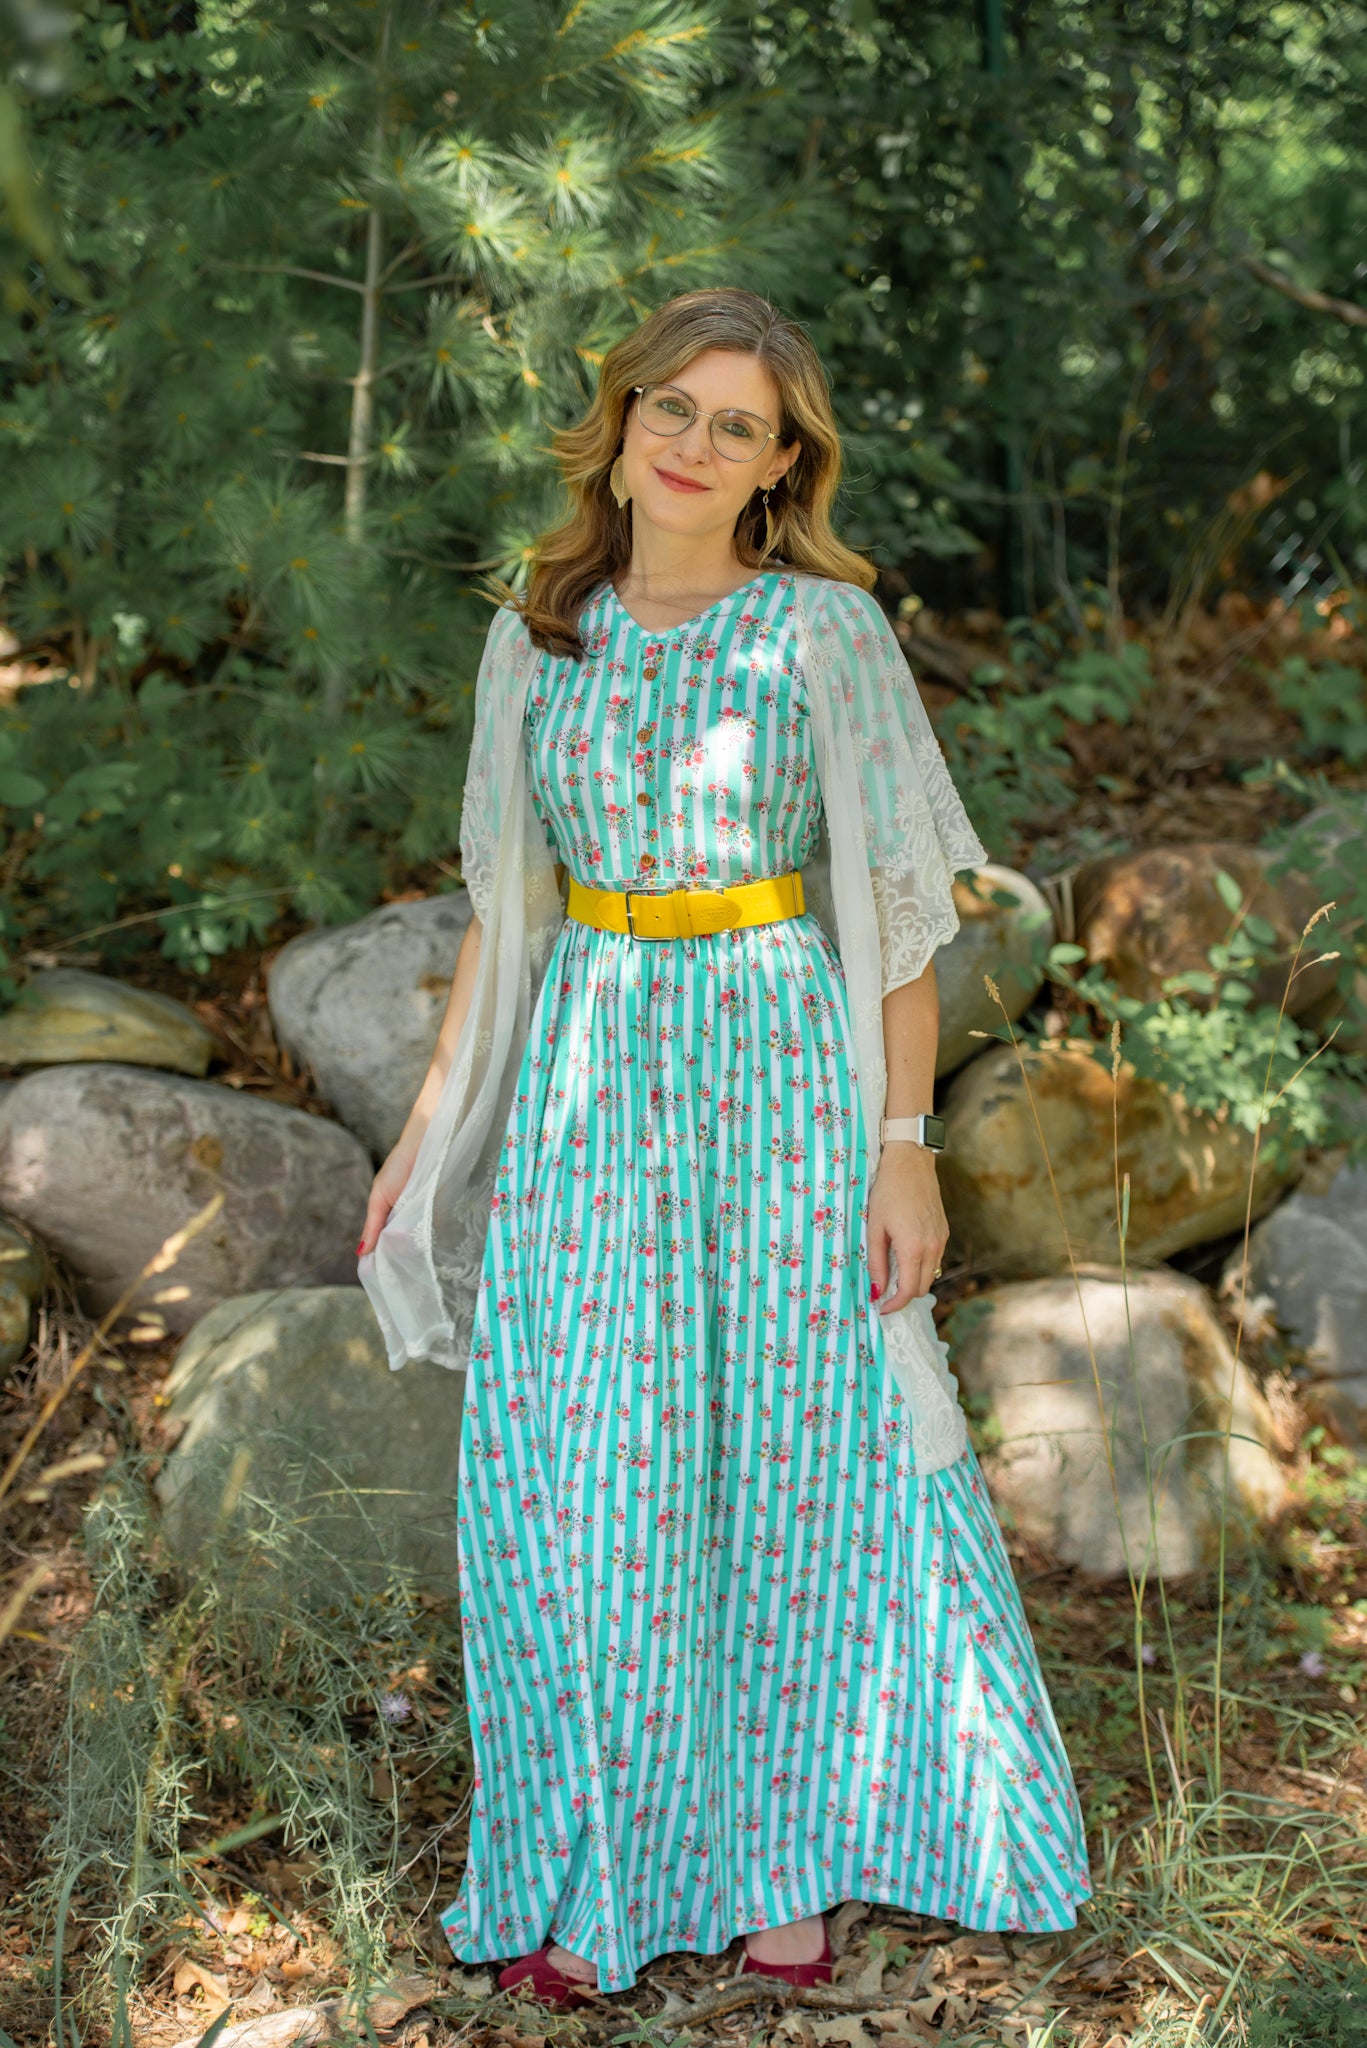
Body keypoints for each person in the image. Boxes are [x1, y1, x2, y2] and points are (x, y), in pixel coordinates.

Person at [357, 286, 1091, 2010]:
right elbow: (506, 917)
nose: (694, 444)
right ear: (620, 422)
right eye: (671, 407)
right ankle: (600, 1861)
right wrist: (422, 1137)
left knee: (790, 1463)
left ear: (781, 466)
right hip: (594, 1084)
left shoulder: (823, 632)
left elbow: (895, 915)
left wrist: (904, 1147)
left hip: (774, 1067)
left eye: (737, 424)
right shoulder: (537, 633)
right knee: (586, 1479)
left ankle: (787, 1861)